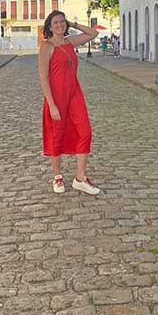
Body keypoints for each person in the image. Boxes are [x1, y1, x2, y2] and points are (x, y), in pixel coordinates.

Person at [38, 10, 100, 195]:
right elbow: (43, 78)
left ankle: (80, 178)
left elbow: (93, 33)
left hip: (74, 94)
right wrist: (51, 104)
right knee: (56, 134)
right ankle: (57, 176)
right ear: (50, 27)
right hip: (56, 97)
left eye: (62, 22)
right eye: (55, 22)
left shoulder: (70, 42)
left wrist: (72, 24)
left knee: (85, 132)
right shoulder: (47, 47)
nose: (59, 25)